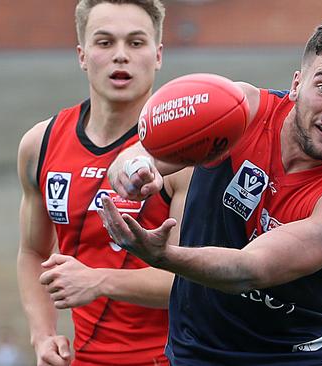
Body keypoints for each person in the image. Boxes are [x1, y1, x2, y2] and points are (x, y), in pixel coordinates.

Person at [100, 15, 322, 365]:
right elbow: (138, 152)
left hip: (294, 357)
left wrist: (162, 257)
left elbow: (249, 269)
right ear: (297, 85)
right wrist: (135, 171)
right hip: (196, 351)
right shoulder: (240, 111)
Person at [16, 1, 190, 365]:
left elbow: (191, 278)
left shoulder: (183, 154)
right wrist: (43, 335)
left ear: (158, 55)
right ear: (82, 54)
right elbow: (34, 252)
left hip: (172, 358)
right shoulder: (40, 144)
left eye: (136, 43)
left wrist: (99, 280)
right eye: (105, 42)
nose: (121, 56)